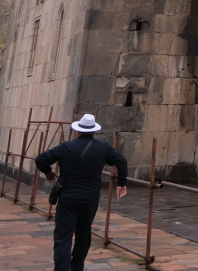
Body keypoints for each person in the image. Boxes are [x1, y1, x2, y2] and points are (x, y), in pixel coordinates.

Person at [34, 115, 128, 271]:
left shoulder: (66, 147)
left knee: (63, 237)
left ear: (77, 130)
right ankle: (77, 267)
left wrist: (49, 172)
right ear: (93, 131)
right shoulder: (103, 147)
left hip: (68, 198)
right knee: (83, 236)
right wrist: (122, 183)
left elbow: (40, 159)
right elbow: (122, 161)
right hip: (90, 199)